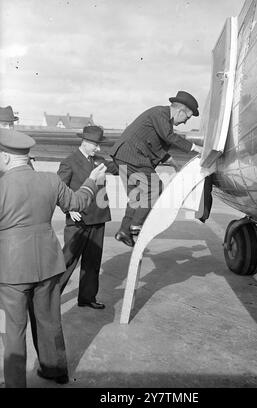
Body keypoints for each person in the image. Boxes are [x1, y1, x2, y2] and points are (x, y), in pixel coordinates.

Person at [0, 128, 107, 388]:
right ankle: (56, 370)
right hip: (48, 265)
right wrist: (92, 181)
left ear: (4, 158)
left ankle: (15, 383)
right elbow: (79, 202)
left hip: (12, 271)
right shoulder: (50, 181)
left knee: (14, 331)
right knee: (49, 321)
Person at [110, 90, 202, 247]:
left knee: (137, 196)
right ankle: (136, 227)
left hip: (124, 155)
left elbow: (157, 148)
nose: (186, 122)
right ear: (180, 111)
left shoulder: (161, 121)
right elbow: (169, 137)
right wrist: (196, 148)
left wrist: (174, 164)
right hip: (132, 155)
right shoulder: (160, 114)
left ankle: (124, 231)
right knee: (154, 187)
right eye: (187, 117)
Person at [57, 125, 118, 310]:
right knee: (67, 261)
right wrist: (68, 208)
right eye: (96, 145)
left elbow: (120, 168)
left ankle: (87, 297)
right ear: (85, 142)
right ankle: (49, 298)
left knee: (93, 261)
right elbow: (59, 189)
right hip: (78, 219)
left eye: (99, 145)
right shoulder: (69, 162)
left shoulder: (100, 160)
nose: (98, 149)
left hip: (99, 218)